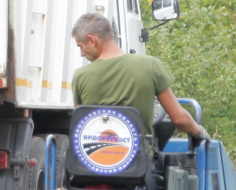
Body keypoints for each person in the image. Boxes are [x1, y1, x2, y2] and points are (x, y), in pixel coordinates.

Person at [70, 13, 209, 143]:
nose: (82, 53)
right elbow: (179, 120)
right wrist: (199, 131)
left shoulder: (80, 76)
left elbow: (80, 126)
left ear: (92, 40)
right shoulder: (150, 65)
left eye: (81, 47)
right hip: (138, 162)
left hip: (92, 164)